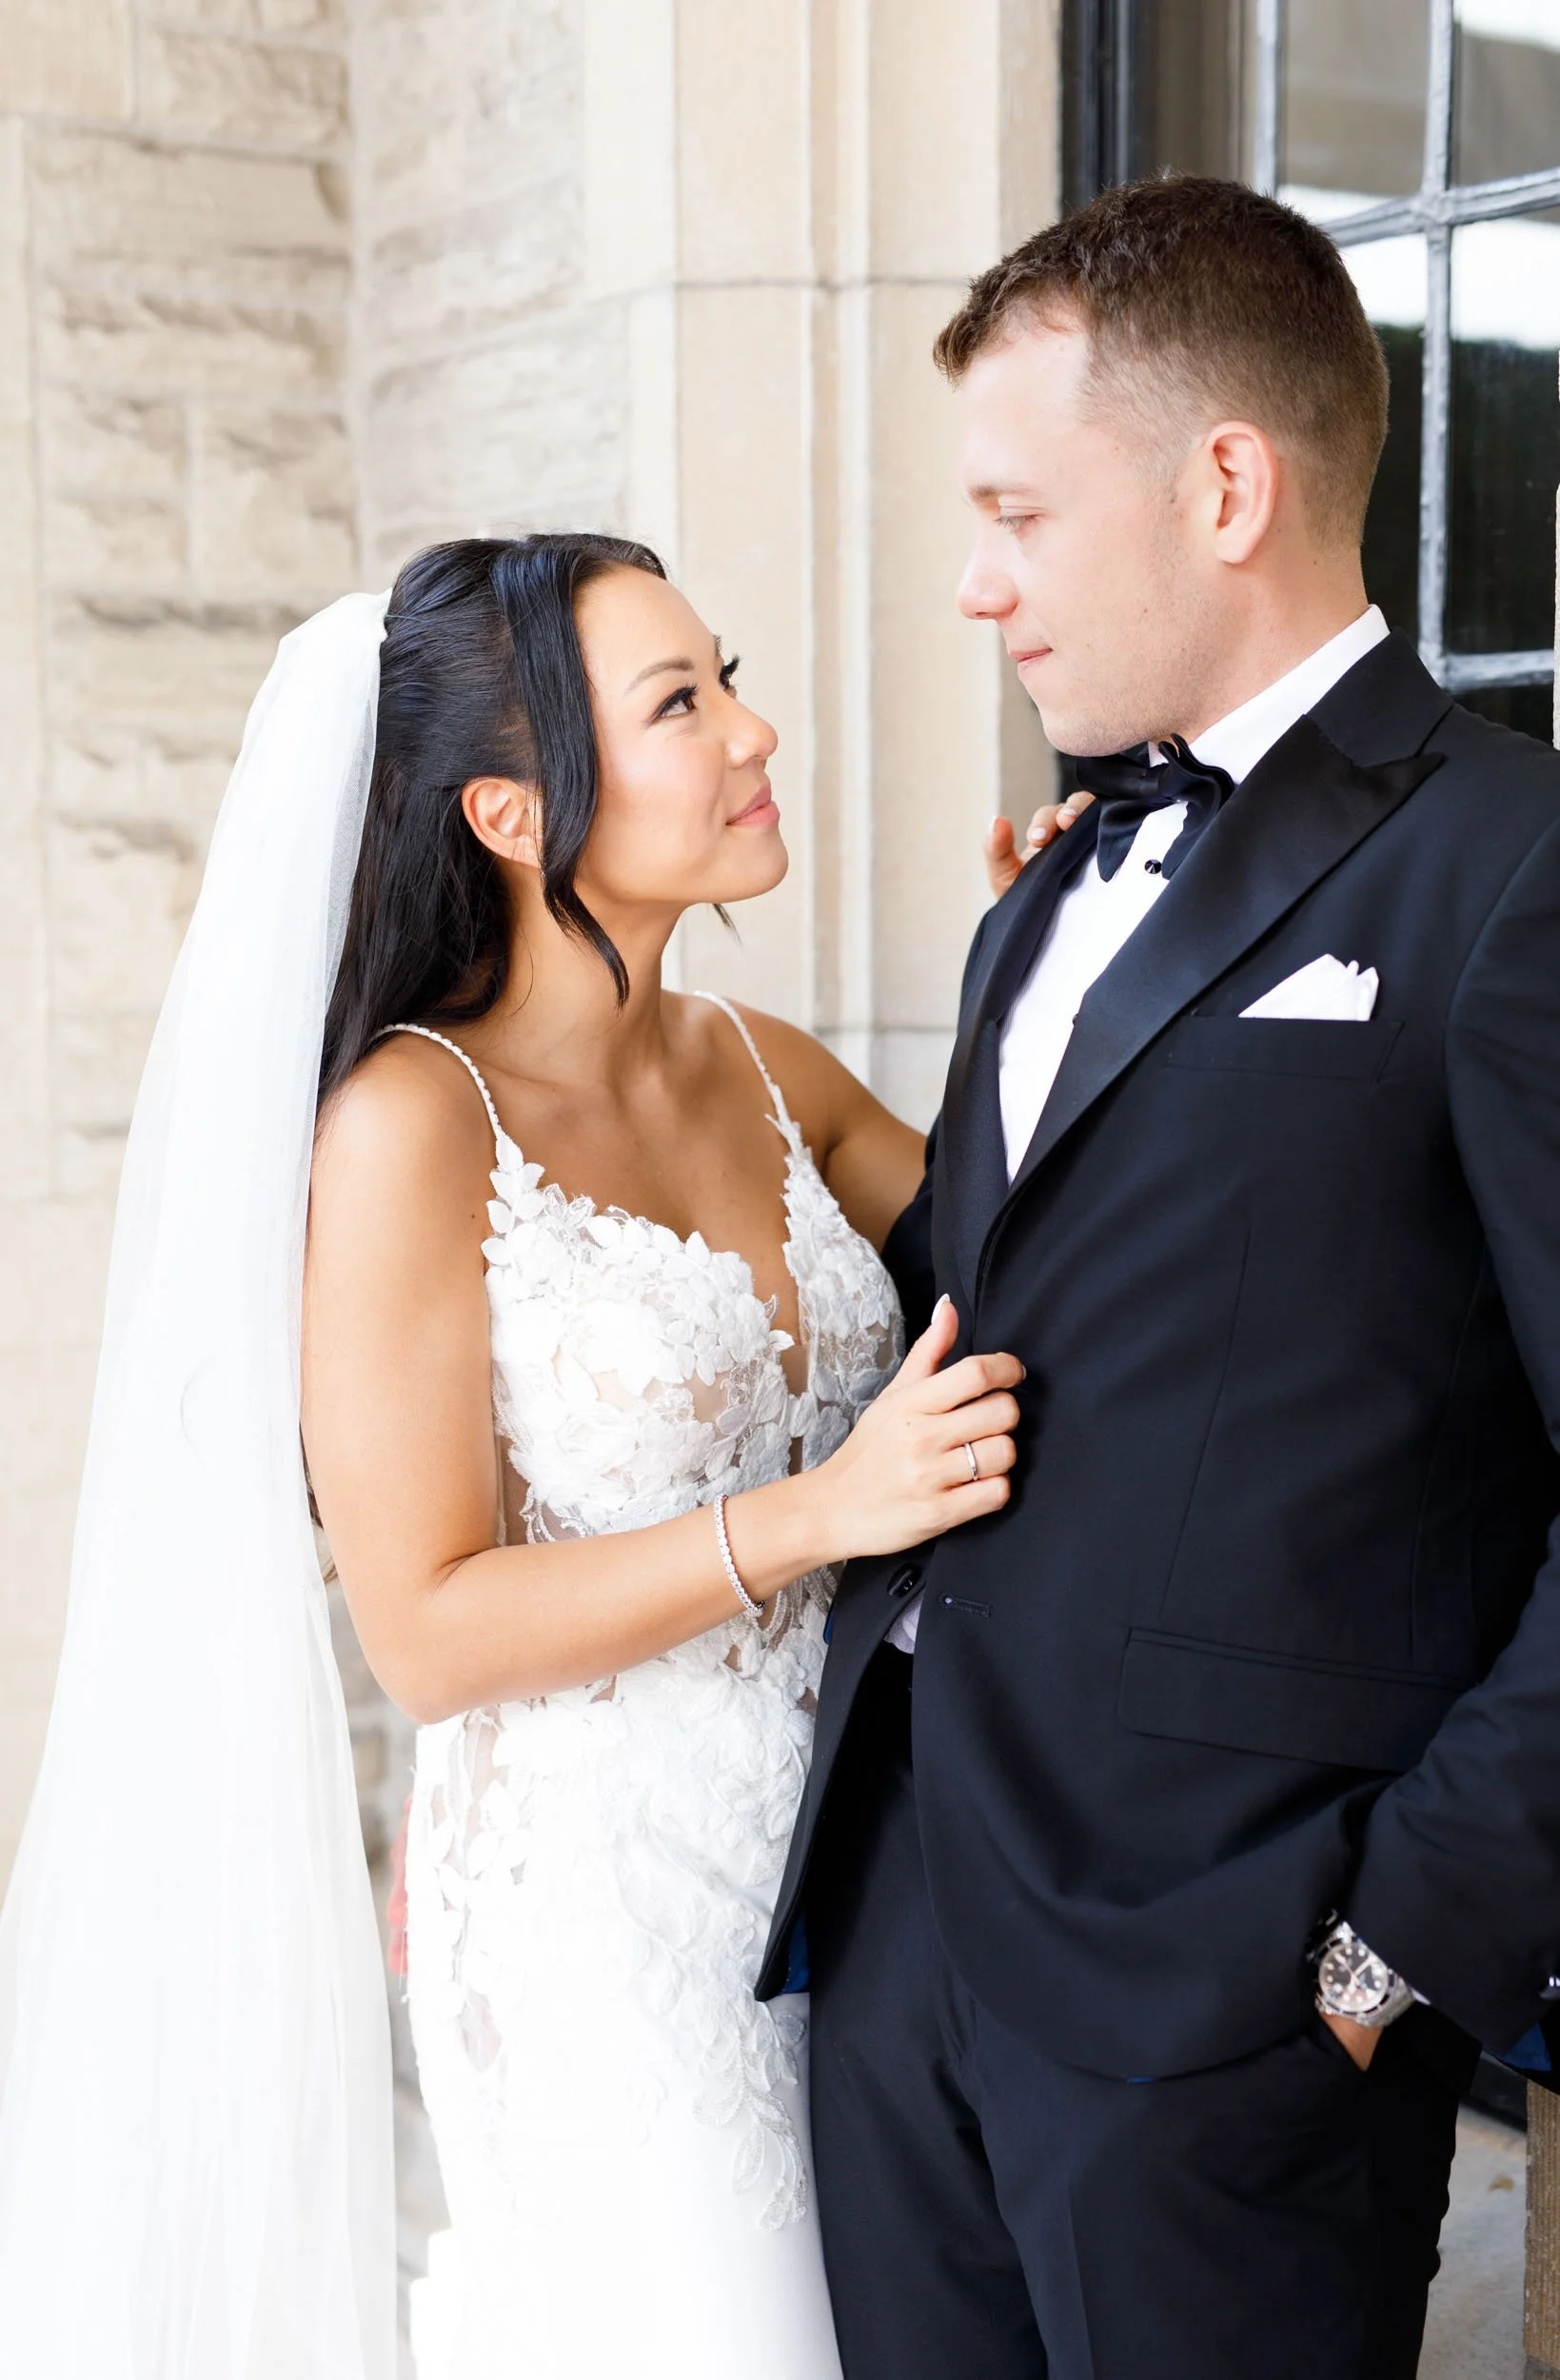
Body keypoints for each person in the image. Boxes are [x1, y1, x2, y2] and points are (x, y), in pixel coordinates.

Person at [0, 533, 1023, 2378]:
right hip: (608, 1935)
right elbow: (430, 1625)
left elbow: (1040, 1257)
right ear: (508, 806)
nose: (753, 727)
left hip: (867, 1883)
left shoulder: (764, 1067)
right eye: (680, 702)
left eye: (727, 673)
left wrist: (1058, 962)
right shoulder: (408, 1123)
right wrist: (817, 1511)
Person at [760, 174, 1560, 2380]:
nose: (971, 579)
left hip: (1245, 1992)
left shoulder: (1514, 867)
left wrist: (1403, 1938)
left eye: (1016, 506)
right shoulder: (1045, 887)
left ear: (1226, 483)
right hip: (907, 1926)